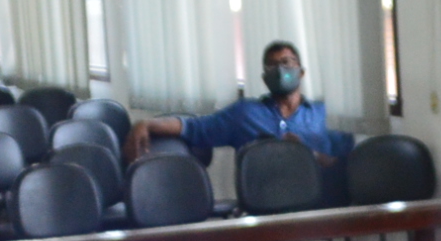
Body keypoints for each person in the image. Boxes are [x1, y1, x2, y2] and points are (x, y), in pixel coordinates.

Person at [125, 42, 352, 166]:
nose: (280, 70)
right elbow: (194, 128)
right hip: (262, 205)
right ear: (264, 78)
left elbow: (346, 163)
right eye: (272, 66)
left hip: (313, 208)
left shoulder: (324, 115)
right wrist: (146, 124)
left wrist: (306, 154)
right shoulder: (245, 114)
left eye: (286, 62)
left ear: (301, 72)